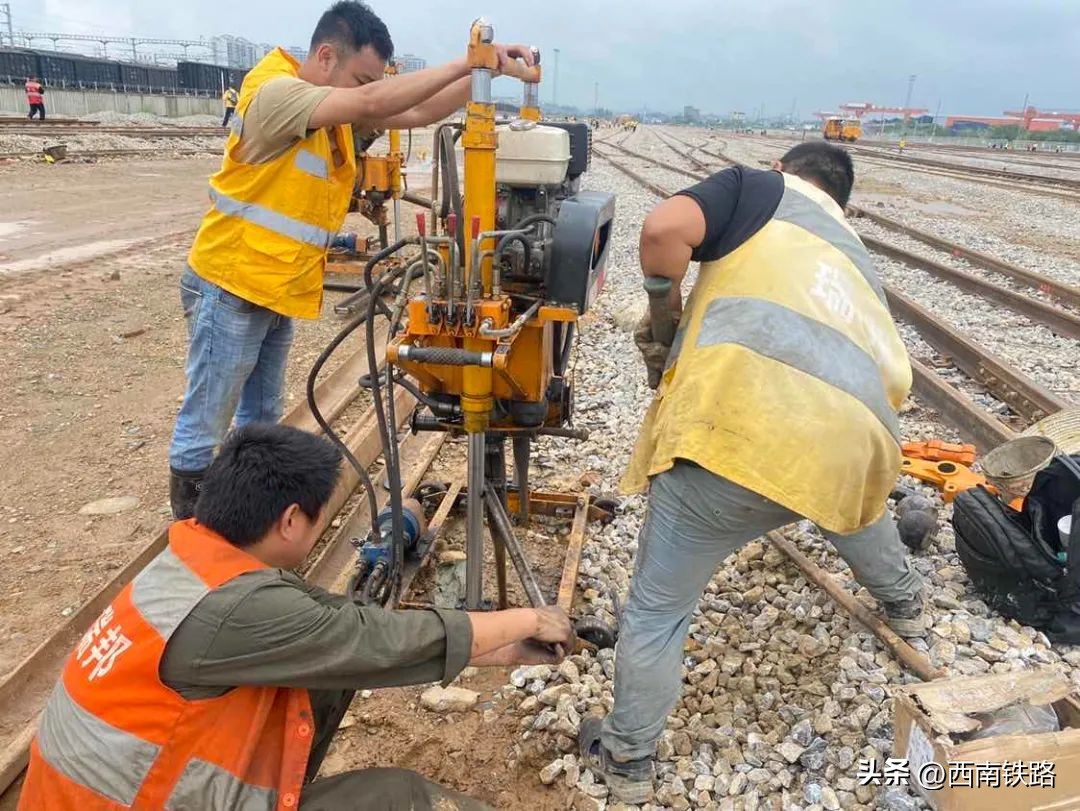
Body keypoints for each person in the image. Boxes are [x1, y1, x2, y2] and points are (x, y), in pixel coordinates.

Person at [578, 142, 925, 803]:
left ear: (785, 170)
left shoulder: (760, 190)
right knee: (853, 505)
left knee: (657, 611)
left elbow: (661, 232)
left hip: (735, 433)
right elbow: (893, 381)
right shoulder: (854, 258)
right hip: (853, 444)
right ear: (841, 201)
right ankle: (907, 605)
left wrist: (664, 316)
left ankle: (627, 762)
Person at [20, 423, 575, 810]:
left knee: (324, 679)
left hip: (110, 792)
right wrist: (526, 619)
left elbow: (334, 629)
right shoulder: (236, 609)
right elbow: (372, 637)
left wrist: (497, 650)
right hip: (136, 798)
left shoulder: (188, 563)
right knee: (400, 800)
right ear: (290, 520)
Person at [168, 0, 536, 519]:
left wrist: (484, 68)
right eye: (362, 78)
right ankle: (192, 536)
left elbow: (417, 112)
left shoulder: (331, 107)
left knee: (261, 419)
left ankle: (241, 526)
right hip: (231, 281)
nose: (367, 91)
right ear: (324, 56)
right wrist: (463, 60)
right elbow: (371, 104)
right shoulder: (276, 95)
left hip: (274, 285)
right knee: (205, 426)